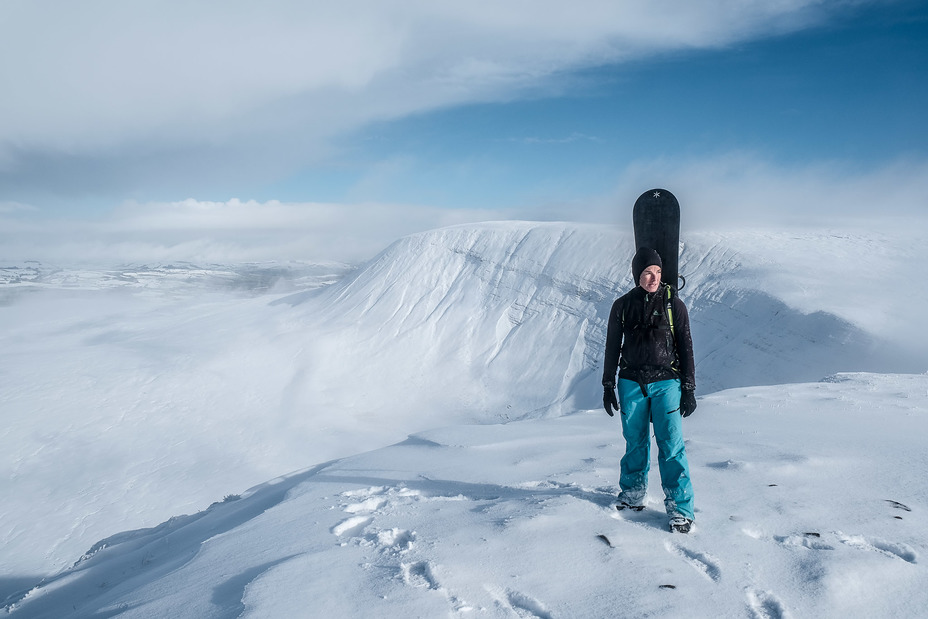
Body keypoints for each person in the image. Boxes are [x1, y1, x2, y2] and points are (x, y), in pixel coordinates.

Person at [602, 247, 697, 533]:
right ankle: (632, 496)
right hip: (631, 381)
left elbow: (686, 346)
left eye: (657, 272)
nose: (653, 278)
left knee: (671, 445)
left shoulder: (674, 305)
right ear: (637, 275)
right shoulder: (622, 305)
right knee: (635, 442)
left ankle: (681, 509)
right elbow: (611, 346)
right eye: (647, 273)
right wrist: (608, 384)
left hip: (667, 382)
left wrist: (689, 387)